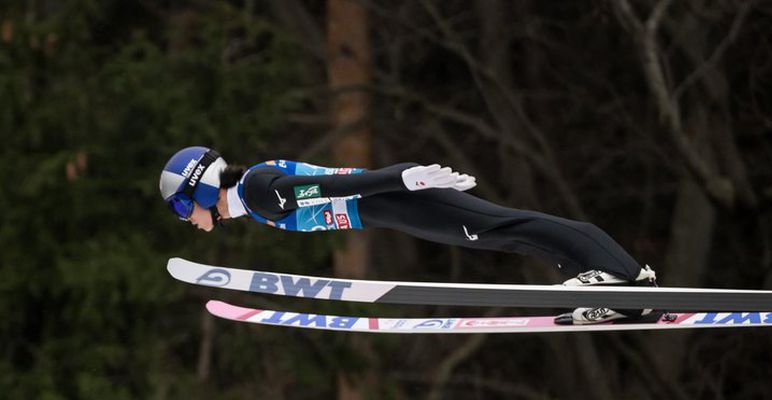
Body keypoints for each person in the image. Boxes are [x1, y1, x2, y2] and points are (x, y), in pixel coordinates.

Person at [159, 146, 660, 324]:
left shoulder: (259, 193)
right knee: (506, 236)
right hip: (396, 206)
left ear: (201, 188)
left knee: (503, 226)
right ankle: (611, 287)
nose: (186, 218)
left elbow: (337, 186)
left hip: (402, 198)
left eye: (183, 206)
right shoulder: (256, 197)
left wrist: (402, 178)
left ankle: (624, 274)